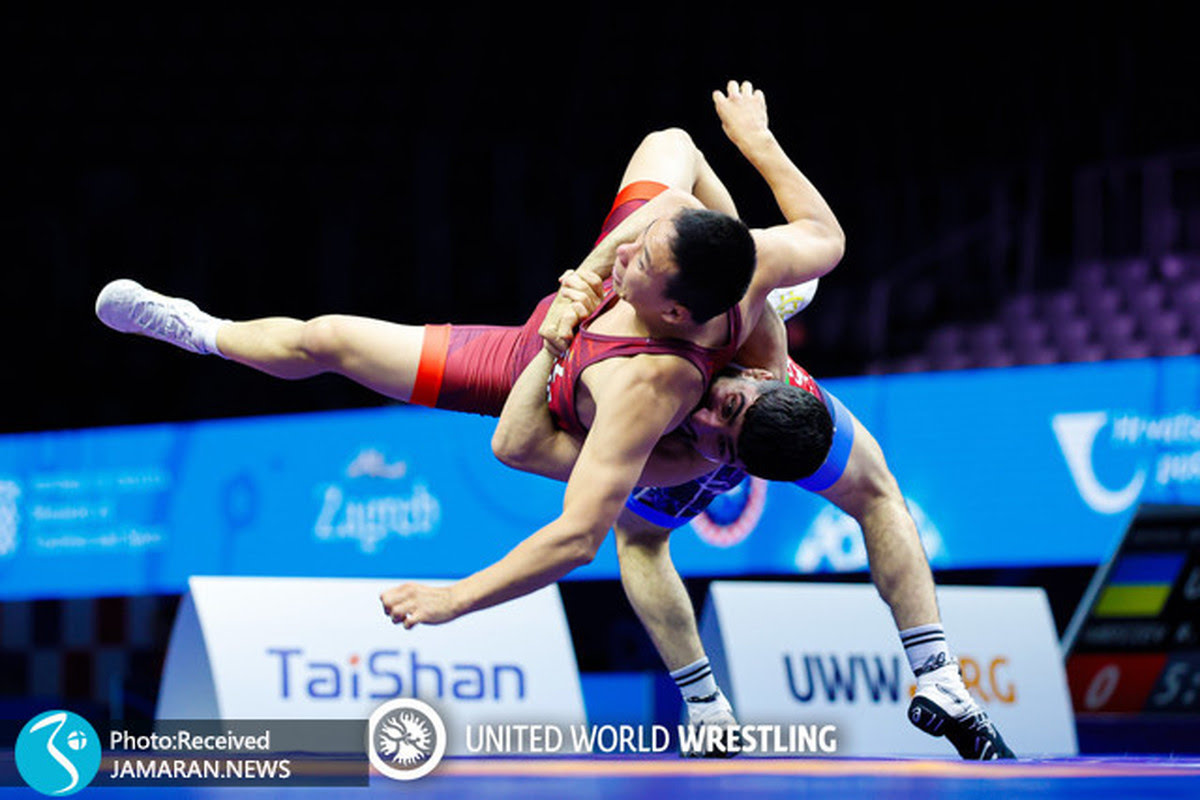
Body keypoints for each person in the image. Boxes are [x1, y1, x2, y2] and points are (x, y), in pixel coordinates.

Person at [95, 80, 843, 754]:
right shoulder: (745, 272)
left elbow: (557, 505)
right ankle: (199, 326)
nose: (632, 253)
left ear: (677, 312)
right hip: (586, 322)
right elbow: (809, 231)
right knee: (673, 147)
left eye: (640, 264)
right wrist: (596, 273)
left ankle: (194, 329)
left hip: (534, 372)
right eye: (638, 246)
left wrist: (456, 597)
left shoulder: (651, 396)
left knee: (330, 341)